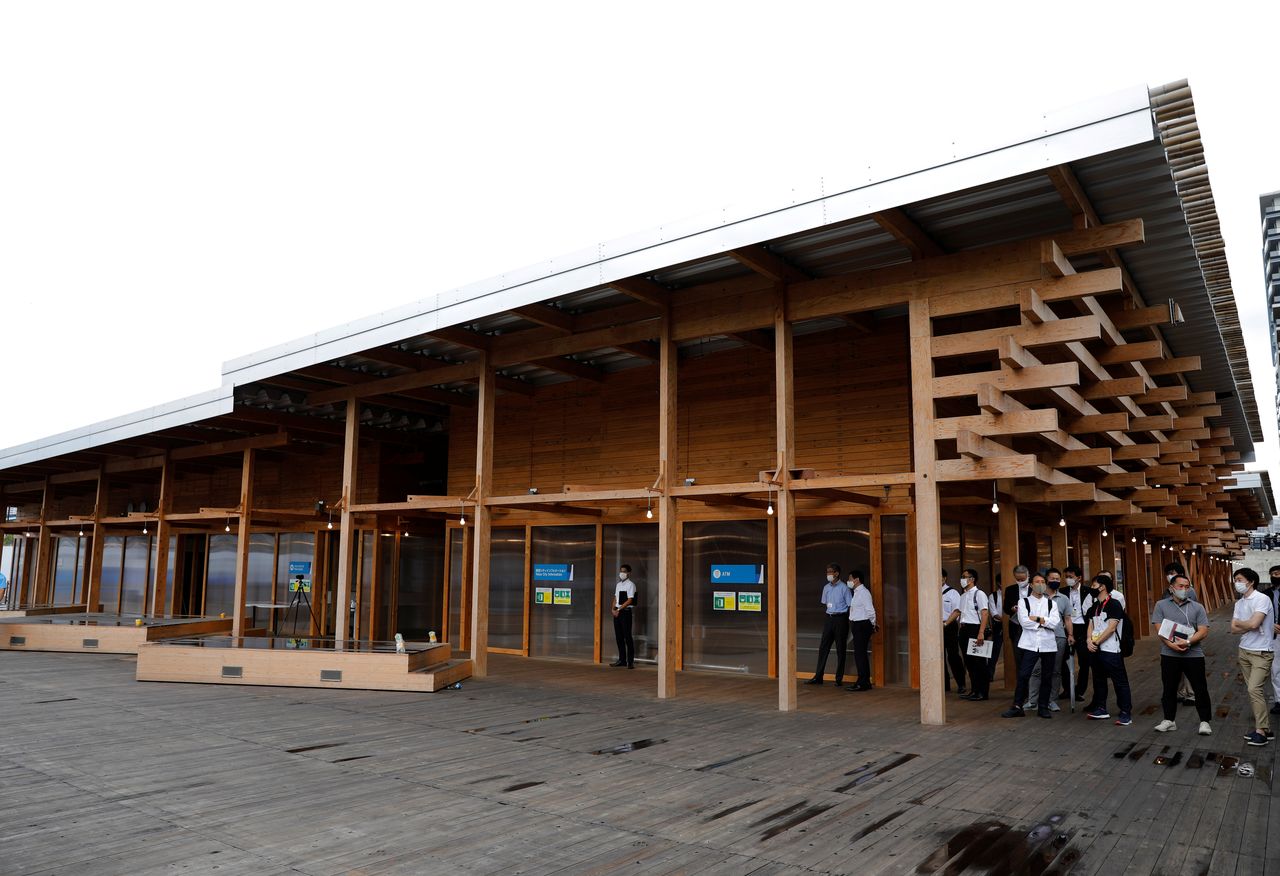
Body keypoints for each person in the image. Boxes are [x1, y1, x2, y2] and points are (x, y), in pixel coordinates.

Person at [1150, 573, 1213, 735]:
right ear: (1171, 588)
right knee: (1169, 688)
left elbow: (1203, 630)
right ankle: (1169, 720)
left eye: (1187, 587)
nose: (1184, 589)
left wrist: (1188, 642)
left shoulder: (1197, 607)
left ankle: (1205, 721)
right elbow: (1159, 627)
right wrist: (1171, 645)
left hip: (1194, 654)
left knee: (1200, 688)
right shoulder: (1161, 605)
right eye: (1180, 586)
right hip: (1169, 654)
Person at [1002, 573, 1060, 719]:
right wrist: (1044, 622)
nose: (1040, 584)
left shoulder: (1051, 604)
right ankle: (1017, 706)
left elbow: (1055, 623)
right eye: (1037, 582)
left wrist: (1037, 619)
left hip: (1048, 644)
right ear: (1031, 585)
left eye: (1042, 581)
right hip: (1029, 644)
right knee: (1023, 675)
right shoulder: (1023, 602)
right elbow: (1024, 622)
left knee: (1047, 676)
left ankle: (1043, 707)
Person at [1229, 567, 1274, 746]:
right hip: (1244, 650)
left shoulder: (1261, 599)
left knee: (1254, 690)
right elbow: (1233, 629)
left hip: (1262, 652)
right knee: (1254, 691)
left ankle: (1261, 732)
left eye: (1239, 579)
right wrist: (1245, 624)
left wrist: (1242, 623)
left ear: (1251, 581)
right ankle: (1265, 729)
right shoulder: (1239, 603)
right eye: (1235, 580)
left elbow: (1254, 624)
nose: (1236, 583)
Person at [1085, 573, 1132, 726]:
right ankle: (1101, 708)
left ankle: (1125, 712)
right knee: (1098, 680)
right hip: (1095, 648)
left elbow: (1112, 628)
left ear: (1102, 587)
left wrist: (1096, 642)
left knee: (1120, 681)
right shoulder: (1095, 606)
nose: (1092, 588)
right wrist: (1088, 640)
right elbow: (1091, 625)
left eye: (1094, 585)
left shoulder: (1114, 604)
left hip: (1111, 649)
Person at [1026, 571, 1072, 712]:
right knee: (1036, 670)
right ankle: (1032, 701)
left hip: (1058, 637)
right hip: (1038, 637)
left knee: (1055, 671)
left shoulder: (1064, 598)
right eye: (1052, 578)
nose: (1055, 581)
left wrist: (1070, 634)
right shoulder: (1037, 596)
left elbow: (1067, 619)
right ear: (1046, 580)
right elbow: (1029, 617)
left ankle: (1052, 700)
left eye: (1058, 579)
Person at [806, 563, 851, 685]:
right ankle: (818, 676)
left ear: (837, 573)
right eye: (827, 572)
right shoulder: (826, 588)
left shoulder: (844, 588)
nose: (828, 574)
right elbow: (825, 603)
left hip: (841, 619)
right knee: (823, 647)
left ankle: (839, 679)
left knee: (840, 649)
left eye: (831, 572)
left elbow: (850, 605)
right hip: (829, 618)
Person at [957, 568, 990, 701]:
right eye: (962, 576)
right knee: (969, 662)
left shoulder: (979, 594)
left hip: (975, 629)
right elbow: (959, 612)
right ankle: (974, 690)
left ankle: (983, 692)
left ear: (972, 579)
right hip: (964, 629)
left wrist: (981, 632)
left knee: (979, 662)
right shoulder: (963, 596)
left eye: (964, 577)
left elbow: (984, 613)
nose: (962, 579)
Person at [845, 569, 877, 691]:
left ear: (857, 579)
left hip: (862, 624)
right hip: (856, 624)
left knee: (860, 654)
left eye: (850, 579)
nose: (849, 581)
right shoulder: (856, 592)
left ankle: (863, 682)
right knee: (860, 654)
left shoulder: (864, 593)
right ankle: (863, 681)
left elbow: (870, 610)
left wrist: (872, 624)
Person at [1064, 564, 1089, 702]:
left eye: (1071, 577)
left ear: (1079, 578)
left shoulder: (1088, 591)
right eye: (1066, 577)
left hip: (1083, 628)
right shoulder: (1062, 592)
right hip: (1067, 628)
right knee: (1064, 660)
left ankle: (1080, 690)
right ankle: (1068, 689)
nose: (1068, 579)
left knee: (1084, 661)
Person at [941, 569, 967, 695]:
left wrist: (945, 623)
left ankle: (961, 684)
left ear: (944, 578)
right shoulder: (930, 592)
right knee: (938, 657)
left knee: (953, 656)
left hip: (949, 626)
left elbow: (957, 611)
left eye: (940, 577)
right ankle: (944, 685)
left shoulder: (952, 593)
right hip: (934, 628)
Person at [610, 564, 636, 668]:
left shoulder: (631, 585)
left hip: (625, 612)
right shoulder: (618, 585)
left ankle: (630, 662)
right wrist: (613, 609)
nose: (622, 573)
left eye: (624, 571)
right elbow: (615, 598)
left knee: (627, 637)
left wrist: (619, 609)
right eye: (621, 571)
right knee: (619, 637)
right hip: (617, 613)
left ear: (629, 573)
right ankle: (622, 660)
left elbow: (630, 600)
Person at [1002, 564, 1032, 653]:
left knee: (1031, 654)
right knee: (1018, 654)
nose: (1020, 582)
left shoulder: (1034, 588)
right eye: (1018, 580)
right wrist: (1012, 609)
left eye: (1023, 579)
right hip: (1016, 626)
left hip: (1032, 625)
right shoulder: (1010, 590)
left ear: (1028, 576)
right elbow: (1005, 609)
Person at [987, 574, 1004, 679]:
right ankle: (990, 674)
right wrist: (1005, 620)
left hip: (1013, 624)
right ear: (999, 583)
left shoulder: (1013, 593)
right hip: (999, 625)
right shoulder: (993, 596)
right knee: (995, 650)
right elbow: (994, 614)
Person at [1268, 565, 1280, 716]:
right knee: (1276, 669)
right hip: (1274, 636)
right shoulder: (1266, 594)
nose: (1275, 576)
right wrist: (1270, 625)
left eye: (1278, 573)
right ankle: (1279, 700)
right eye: (1273, 574)